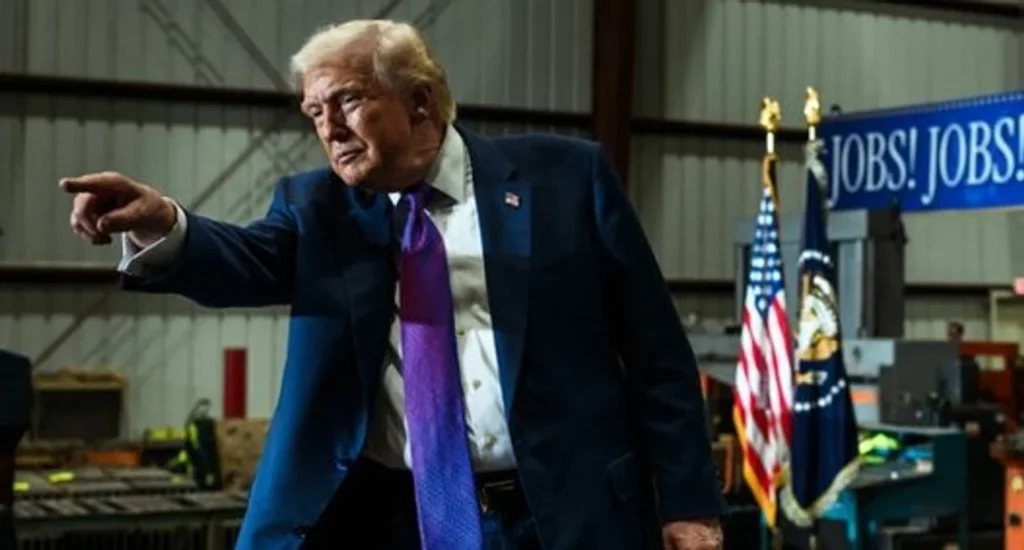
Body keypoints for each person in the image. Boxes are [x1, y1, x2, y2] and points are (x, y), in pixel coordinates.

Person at [61, 19, 725, 550]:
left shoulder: (567, 179)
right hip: (390, 521)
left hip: (563, 516)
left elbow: (658, 356)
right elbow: (243, 259)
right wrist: (163, 221)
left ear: (419, 102)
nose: (328, 128)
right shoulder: (316, 207)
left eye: (347, 100)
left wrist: (691, 506)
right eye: (314, 111)